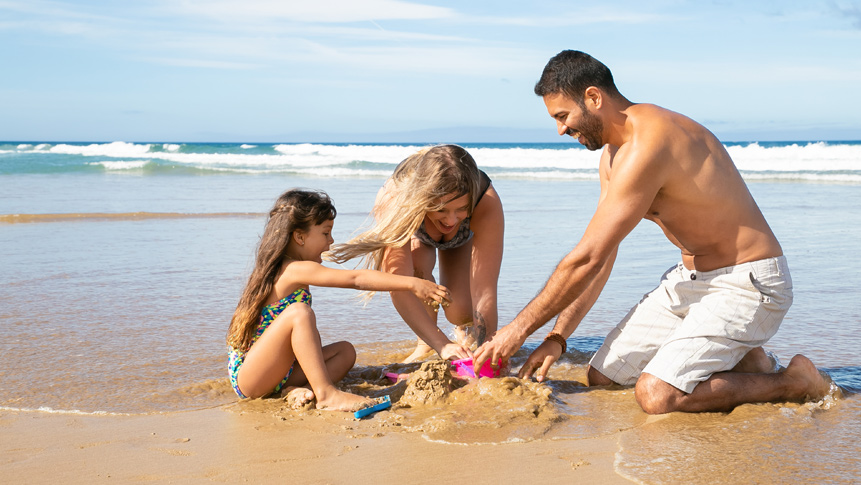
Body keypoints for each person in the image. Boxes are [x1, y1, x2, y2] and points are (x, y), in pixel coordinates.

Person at [473, 50, 830, 414]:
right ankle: (747, 361)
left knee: (656, 395)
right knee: (604, 377)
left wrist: (516, 332)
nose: (561, 129)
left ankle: (795, 381)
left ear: (594, 98)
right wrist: (556, 338)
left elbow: (585, 258)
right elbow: (601, 255)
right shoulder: (612, 157)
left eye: (563, 116)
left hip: (749, 284)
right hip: (693, 281)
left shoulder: (652, 142)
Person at [227, 189, 451, 411]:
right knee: (299, 313)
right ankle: (326, 395)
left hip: (279, 373)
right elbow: (355, 278)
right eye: (325, 233)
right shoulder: (293, 269)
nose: (331, 241)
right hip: (251, 377)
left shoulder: (293, 269)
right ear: (299, 236)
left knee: (345, 352)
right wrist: (412, 283)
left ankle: (295, 389)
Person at [330, 145, 504, 363]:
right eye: (441, 209)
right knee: (418, 269)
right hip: (417, 232)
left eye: (461, 209)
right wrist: (442, 345)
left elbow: (485, 290)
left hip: (461, 239)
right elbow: (399, 286)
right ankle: (425, 345)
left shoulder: (484, 199)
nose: (451, 220)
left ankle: (464, 334)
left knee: (459, 311)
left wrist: (485, 352)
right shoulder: (396, 199)